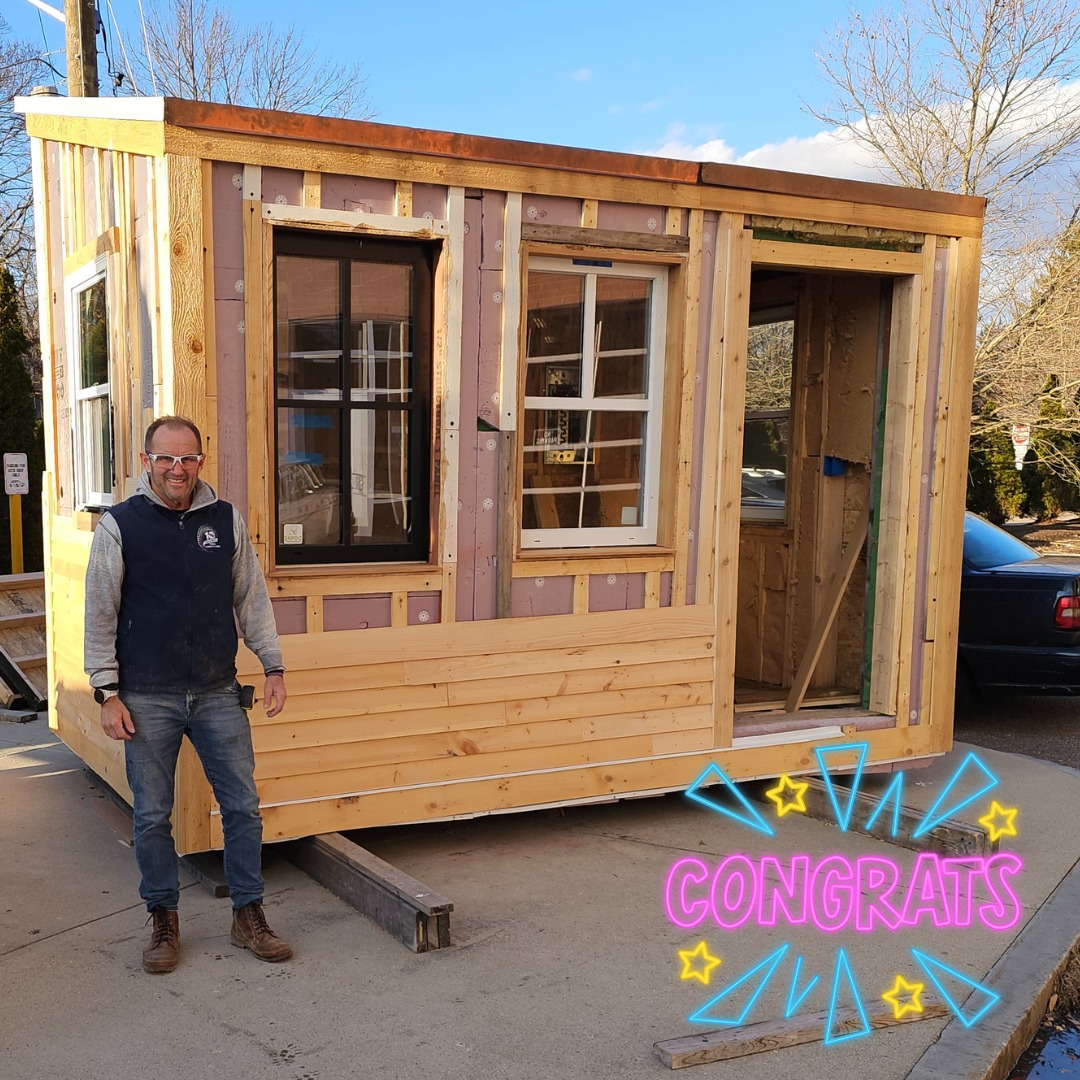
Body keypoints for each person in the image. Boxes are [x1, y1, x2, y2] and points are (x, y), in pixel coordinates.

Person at [84, 415, 292, 973]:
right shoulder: (120, 525)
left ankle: (249, 915)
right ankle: (163, 920)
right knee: (152, 815)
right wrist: (106, 691)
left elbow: (251, 597)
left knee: (243, 807)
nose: (178, 469)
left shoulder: (225, 521)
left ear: (201, 462)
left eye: (188, 458)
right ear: (146, 461)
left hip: (218, 689)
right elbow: (100, 612)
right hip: (146, 696)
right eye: (167, 458)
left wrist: (272, 665)